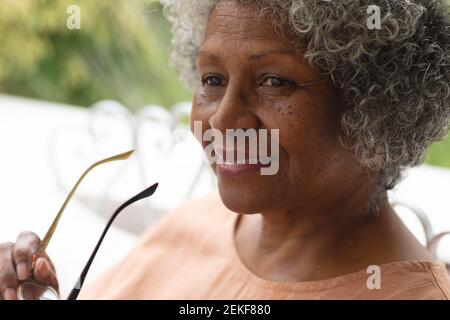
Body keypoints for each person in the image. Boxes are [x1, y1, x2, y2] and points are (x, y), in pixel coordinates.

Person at [1, 0, 450, 300]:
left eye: (275, 81)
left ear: (378, 103)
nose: (220, 120)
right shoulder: (190, 226)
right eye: (212, 80)